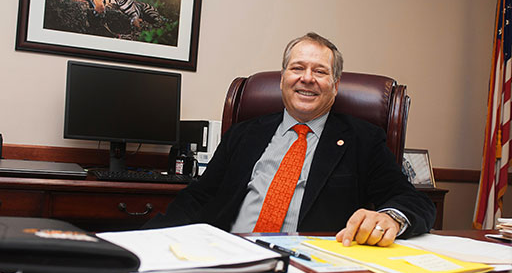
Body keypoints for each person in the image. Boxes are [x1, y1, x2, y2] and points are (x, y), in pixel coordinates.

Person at [144, 32, 435, 247]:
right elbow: (198, 198)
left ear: (335, 86)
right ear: (283, 78)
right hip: (228, 254)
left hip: (309, 265)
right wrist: (143, 242)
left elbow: (412, 200)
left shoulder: (363, 139)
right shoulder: (245, 134)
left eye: (320, 71)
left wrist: (390, 218)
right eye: (297, 68)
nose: (307, 78)